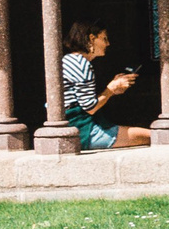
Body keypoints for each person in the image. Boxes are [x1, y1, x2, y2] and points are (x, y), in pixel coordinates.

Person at [61, 22, 150, 150]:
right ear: (92, 38)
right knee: (155, 136)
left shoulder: (71, 60)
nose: (108, 44)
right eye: (104, 38)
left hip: (79, 126)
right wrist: (111, 89)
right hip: (84, 130)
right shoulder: (81, 64)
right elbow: (90, 107)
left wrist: (113, 89)